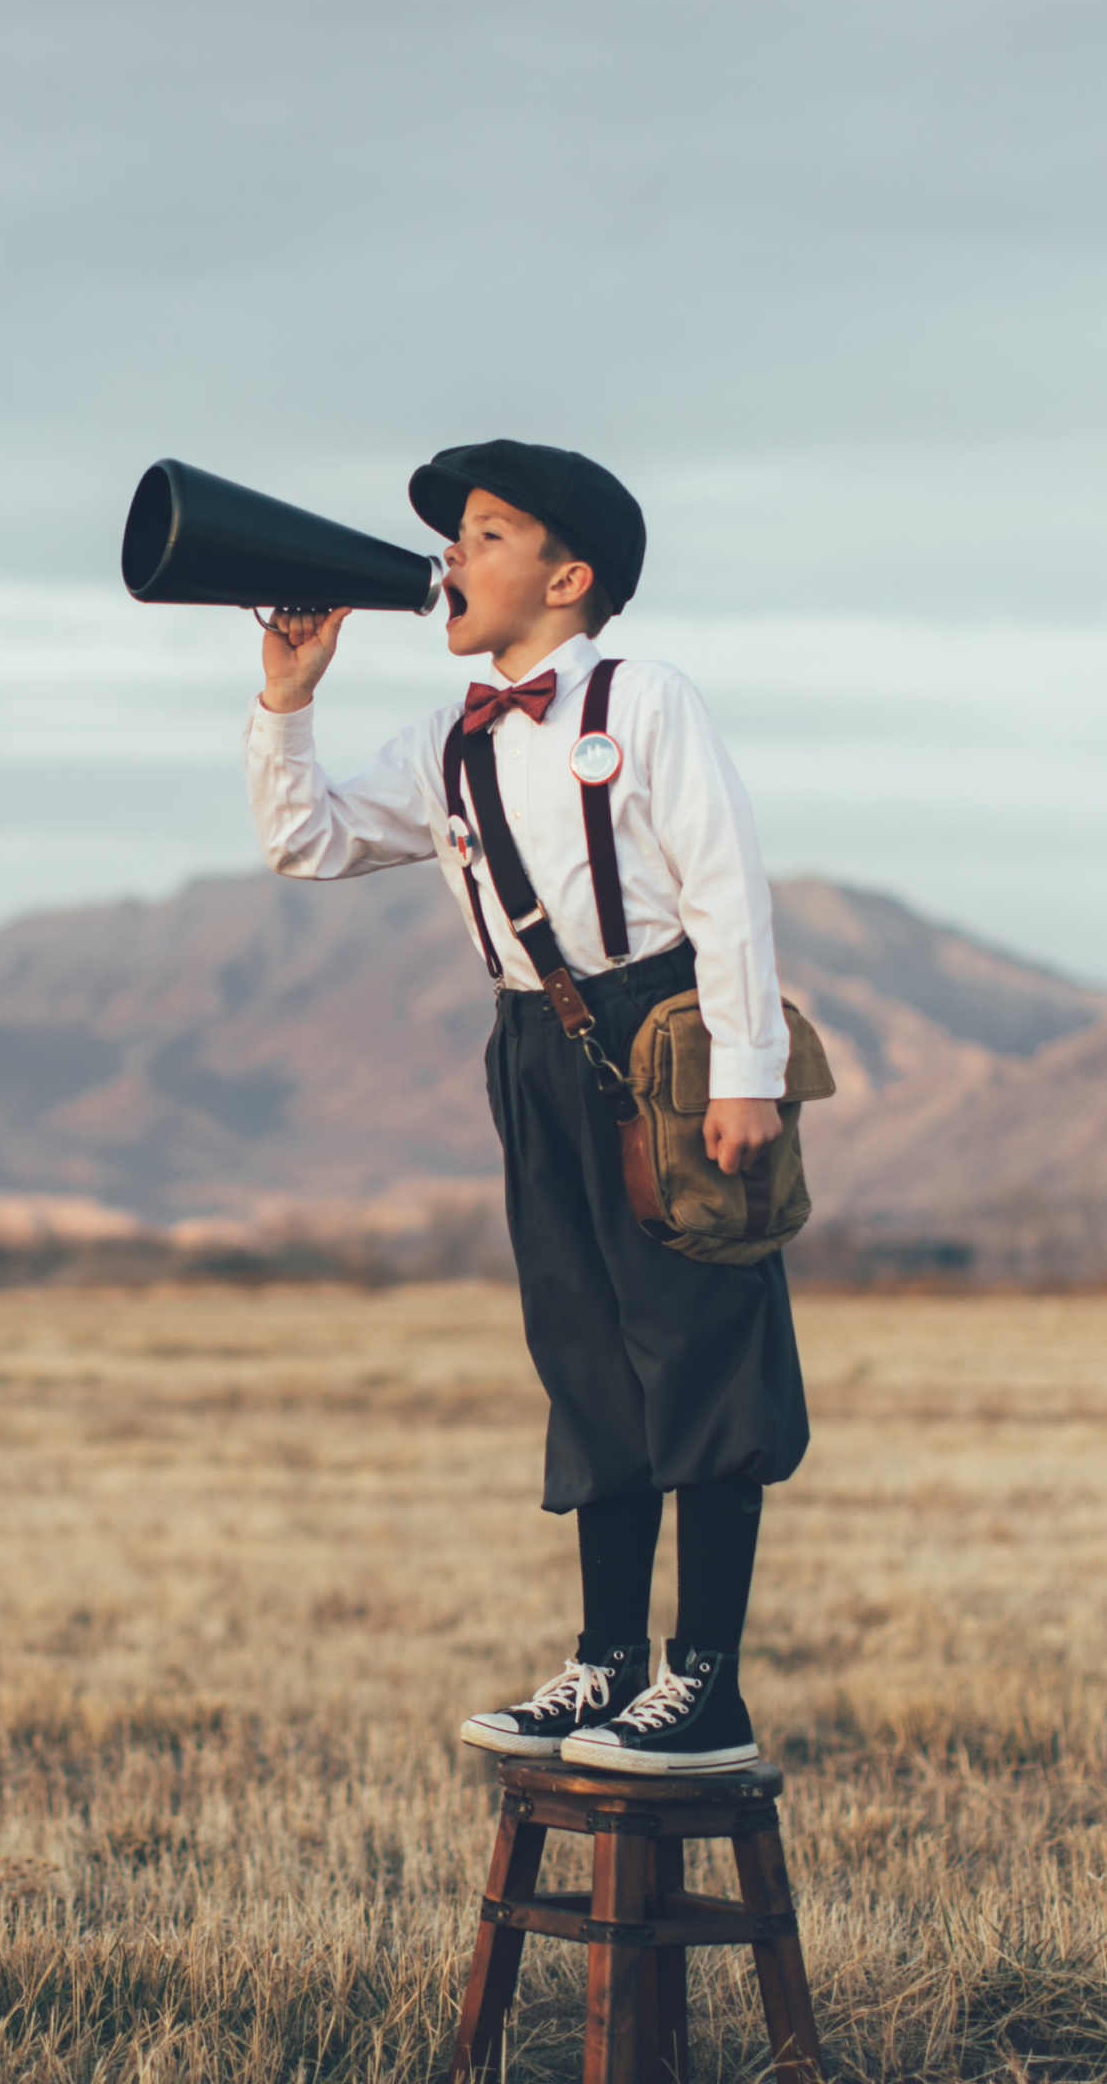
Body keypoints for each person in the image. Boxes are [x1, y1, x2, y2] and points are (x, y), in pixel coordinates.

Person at [242, 440, 807, 1773]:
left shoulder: (645, 696)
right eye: (456, 536)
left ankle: (704, 1685)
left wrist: (748, 1077)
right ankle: (608, 1662)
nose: (451, 557)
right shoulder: (446, 734)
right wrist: (286, 702)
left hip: (665, 1035)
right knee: (588, 1352)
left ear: (569, 577)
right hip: (535, 1052)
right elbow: (307, 839)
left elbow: (726, 883)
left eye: (486, 535)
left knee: (700, 1348)